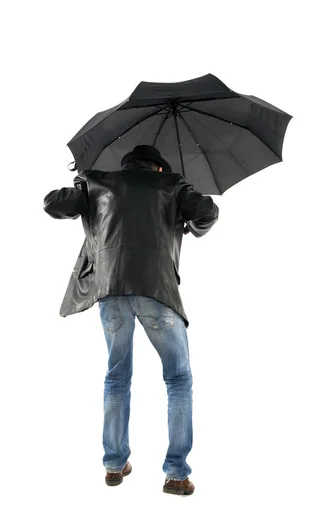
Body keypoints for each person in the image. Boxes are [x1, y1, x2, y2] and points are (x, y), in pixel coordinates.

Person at [43, 145, 219, 495]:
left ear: (125, 165)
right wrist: (188, 217)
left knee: (117, 376)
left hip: (110, 291)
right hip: (157, 291)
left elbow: (52, 203)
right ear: (157, 168)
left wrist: (82, 183)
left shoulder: (97, 183)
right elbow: (208, 212)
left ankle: (114, 464)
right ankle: (176, 474)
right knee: (178, 378)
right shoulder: (170, 185)